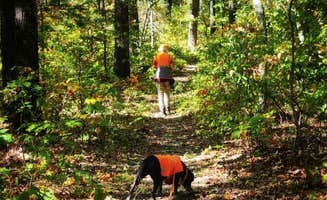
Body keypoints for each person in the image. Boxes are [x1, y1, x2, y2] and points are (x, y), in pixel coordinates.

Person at [153, 44, 174, 116]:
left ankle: (162, 111)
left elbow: (155, 67)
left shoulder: (156, 56)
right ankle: (168, 110)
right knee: (167, 93)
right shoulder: (170, 56)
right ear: (166, 49)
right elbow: (171, 68)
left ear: (160, 49)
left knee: (160, 94)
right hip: (168, 78)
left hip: (159, 78)